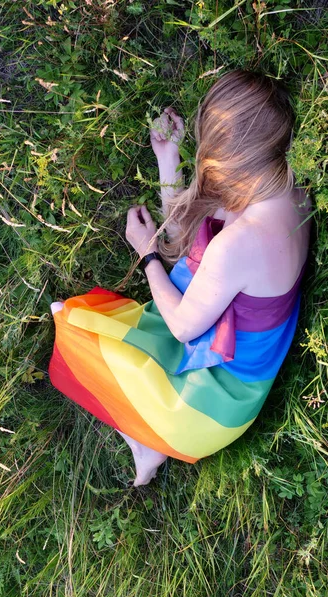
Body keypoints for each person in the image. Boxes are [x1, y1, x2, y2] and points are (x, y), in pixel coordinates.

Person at [49, 69, 311, 487]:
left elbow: (182, 325)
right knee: (88, 323)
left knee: (77, 333)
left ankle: (150, 438)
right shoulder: (290, 190)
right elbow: (194, 240)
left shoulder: (241, 243)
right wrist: (167, 159)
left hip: (210, 401)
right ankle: (148, 440)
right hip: (227, 355)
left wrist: (146, 252)